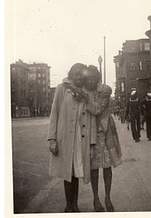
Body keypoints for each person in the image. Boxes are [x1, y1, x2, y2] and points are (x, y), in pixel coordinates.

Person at [47, 63, 97, 213]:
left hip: (80, 138)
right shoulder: (62, 89)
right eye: (76, 74)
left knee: (76, 172)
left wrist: (92, 142)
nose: (79, 78)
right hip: (65, 139)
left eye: (82, 75)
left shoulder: (86, 92)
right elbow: (54, 113)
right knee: (67, 173)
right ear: (71, 75)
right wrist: (52, 139)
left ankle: (74, 206)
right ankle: (69, 207)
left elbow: (91, 118)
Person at [83, 66, 122, 212]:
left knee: (107, 167)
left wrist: (84, 98)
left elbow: (98, 109)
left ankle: (107, 196)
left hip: (104, 133)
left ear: (98, 78)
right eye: (88, 79)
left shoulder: (104, 90)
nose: (91, 81)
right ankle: (96, 198)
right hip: (90, 134)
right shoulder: (85, 90)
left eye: (94, 78)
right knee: (93, 169)